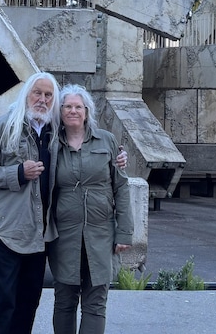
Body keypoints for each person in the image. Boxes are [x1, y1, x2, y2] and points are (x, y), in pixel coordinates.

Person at [0, 72, 61, 334]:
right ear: (26, 95)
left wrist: (118, 155)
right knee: (3, 303)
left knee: (28, 303)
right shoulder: (6, 125)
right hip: (8, 231)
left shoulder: (57, 132)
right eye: (37, 93)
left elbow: (87, 141)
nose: (42, 100)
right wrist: (18, 173)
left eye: (48, 95)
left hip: (41, 233)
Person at [48, 85, 133, 334]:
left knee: (95, 303)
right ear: (60, 111)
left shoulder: (106, 140)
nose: (73, 111)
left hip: (101, 234)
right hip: (64, 235)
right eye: (67, 106)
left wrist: (125, 233)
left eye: (78, 106)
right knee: (64, 301)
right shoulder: (51, 144)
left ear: (86, 111)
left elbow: (121, 187)